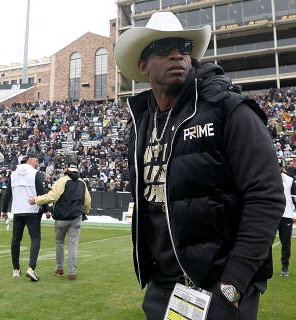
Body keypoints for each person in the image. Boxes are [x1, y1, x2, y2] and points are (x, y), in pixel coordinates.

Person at [114, 11, 284, 319]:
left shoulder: (228, 109)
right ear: (143, 66)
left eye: (183, 47)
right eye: (164, 48)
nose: (177, 54)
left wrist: (231, 286)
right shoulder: (140, 124)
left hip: (221, 289)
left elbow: (266, 196)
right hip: (165, 288)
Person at [28, 162, 91, 280]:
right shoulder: (82, 182)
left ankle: (59, 269)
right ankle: (72, 272)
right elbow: (87, 201)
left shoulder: (62, 181)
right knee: (73, 245)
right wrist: (85, 212)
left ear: (66, 171)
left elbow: (53, 196)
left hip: (62, 218)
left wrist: (37, 200)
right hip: (76, 218)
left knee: (59, 243)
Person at [1, 154, 49, 282]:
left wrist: (4, 210)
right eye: (36, 160)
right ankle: (31, 268)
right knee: (35, 238)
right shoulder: (34, 173)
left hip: (18, 211)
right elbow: (41, 193)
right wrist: (46, 210)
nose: (37, 163)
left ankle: (16, 269)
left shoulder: (14, 174)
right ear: (30, 160)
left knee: (16, 240)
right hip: (32, 211)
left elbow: (7, 194)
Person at [278, 163, 296, 277]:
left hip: (286, 215)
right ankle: (264, 266)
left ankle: (285, 266)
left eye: (279, 166)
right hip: (271, 215)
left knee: (286, 243)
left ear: (282, 168)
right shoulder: (267, 177)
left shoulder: (289, 180)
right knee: (266, 242)